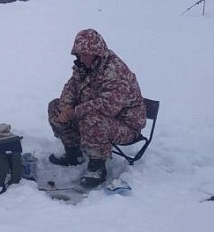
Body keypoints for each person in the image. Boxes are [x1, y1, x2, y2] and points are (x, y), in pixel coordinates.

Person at [47, 29, 146, 188]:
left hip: (126, 125)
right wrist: (65, 107)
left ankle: (97, 167)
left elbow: (108, 106)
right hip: (98, 116)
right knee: (54, 107)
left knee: (92, 118)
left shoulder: (115, 70)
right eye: (79, 54)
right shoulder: (84, 66)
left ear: (97, 52)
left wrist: (75, 112)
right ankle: (74, 154)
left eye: (86, 54)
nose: (82, 57)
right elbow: (71, 86)